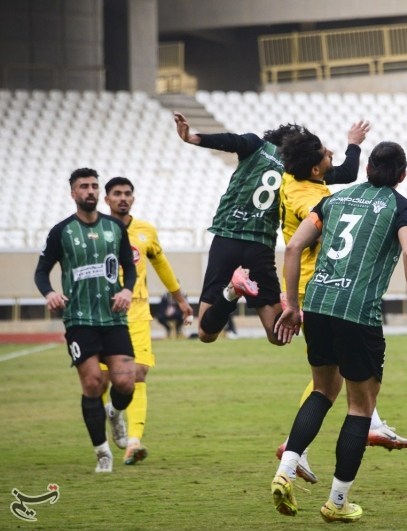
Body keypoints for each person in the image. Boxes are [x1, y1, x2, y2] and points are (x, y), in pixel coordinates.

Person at [271, 140, 407, 523]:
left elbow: (292, 248)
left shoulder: (332, 200)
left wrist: (291, 304)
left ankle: (285, 470)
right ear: (403, 175)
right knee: (360, 407)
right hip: (358, 313)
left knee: (322, 391)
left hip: (318, 305)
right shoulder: (403, 208)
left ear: (368, 168)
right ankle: (337, 502)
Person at [33, 168, 137, 473]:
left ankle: (114, 412)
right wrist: (50, 293)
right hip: (79, 319)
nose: (90, 191)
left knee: (126, 382)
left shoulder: (115, 228)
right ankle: (103, 453)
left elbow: (129, 266)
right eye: (83, 186)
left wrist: (127, 290)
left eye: (93, 186)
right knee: (92, 383)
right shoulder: (61, 231)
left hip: (113, 317)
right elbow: (41, 271)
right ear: (73, 193)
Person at [173, 111, 286, 346]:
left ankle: (231, 293)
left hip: (227, 238)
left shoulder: (257, 145)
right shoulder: (297, 168)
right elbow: (343, 174)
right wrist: (353, 146)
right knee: (278, 337)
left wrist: (193, 138)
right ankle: (294, 306)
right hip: (261, 246)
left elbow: (232, 140)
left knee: (206, 334)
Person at [103, 177, 194, 465]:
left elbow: (161, 264)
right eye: (117, 193)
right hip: (104, 314)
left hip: (138, 312)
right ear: (107, 199)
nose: (123, 198)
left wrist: (180, 299)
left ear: (133, 198)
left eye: (128, 193)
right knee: (107, 380)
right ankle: (114, 414)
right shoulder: (97, 230)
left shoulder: (145, 231)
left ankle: (133, 442)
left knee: (139, 373)